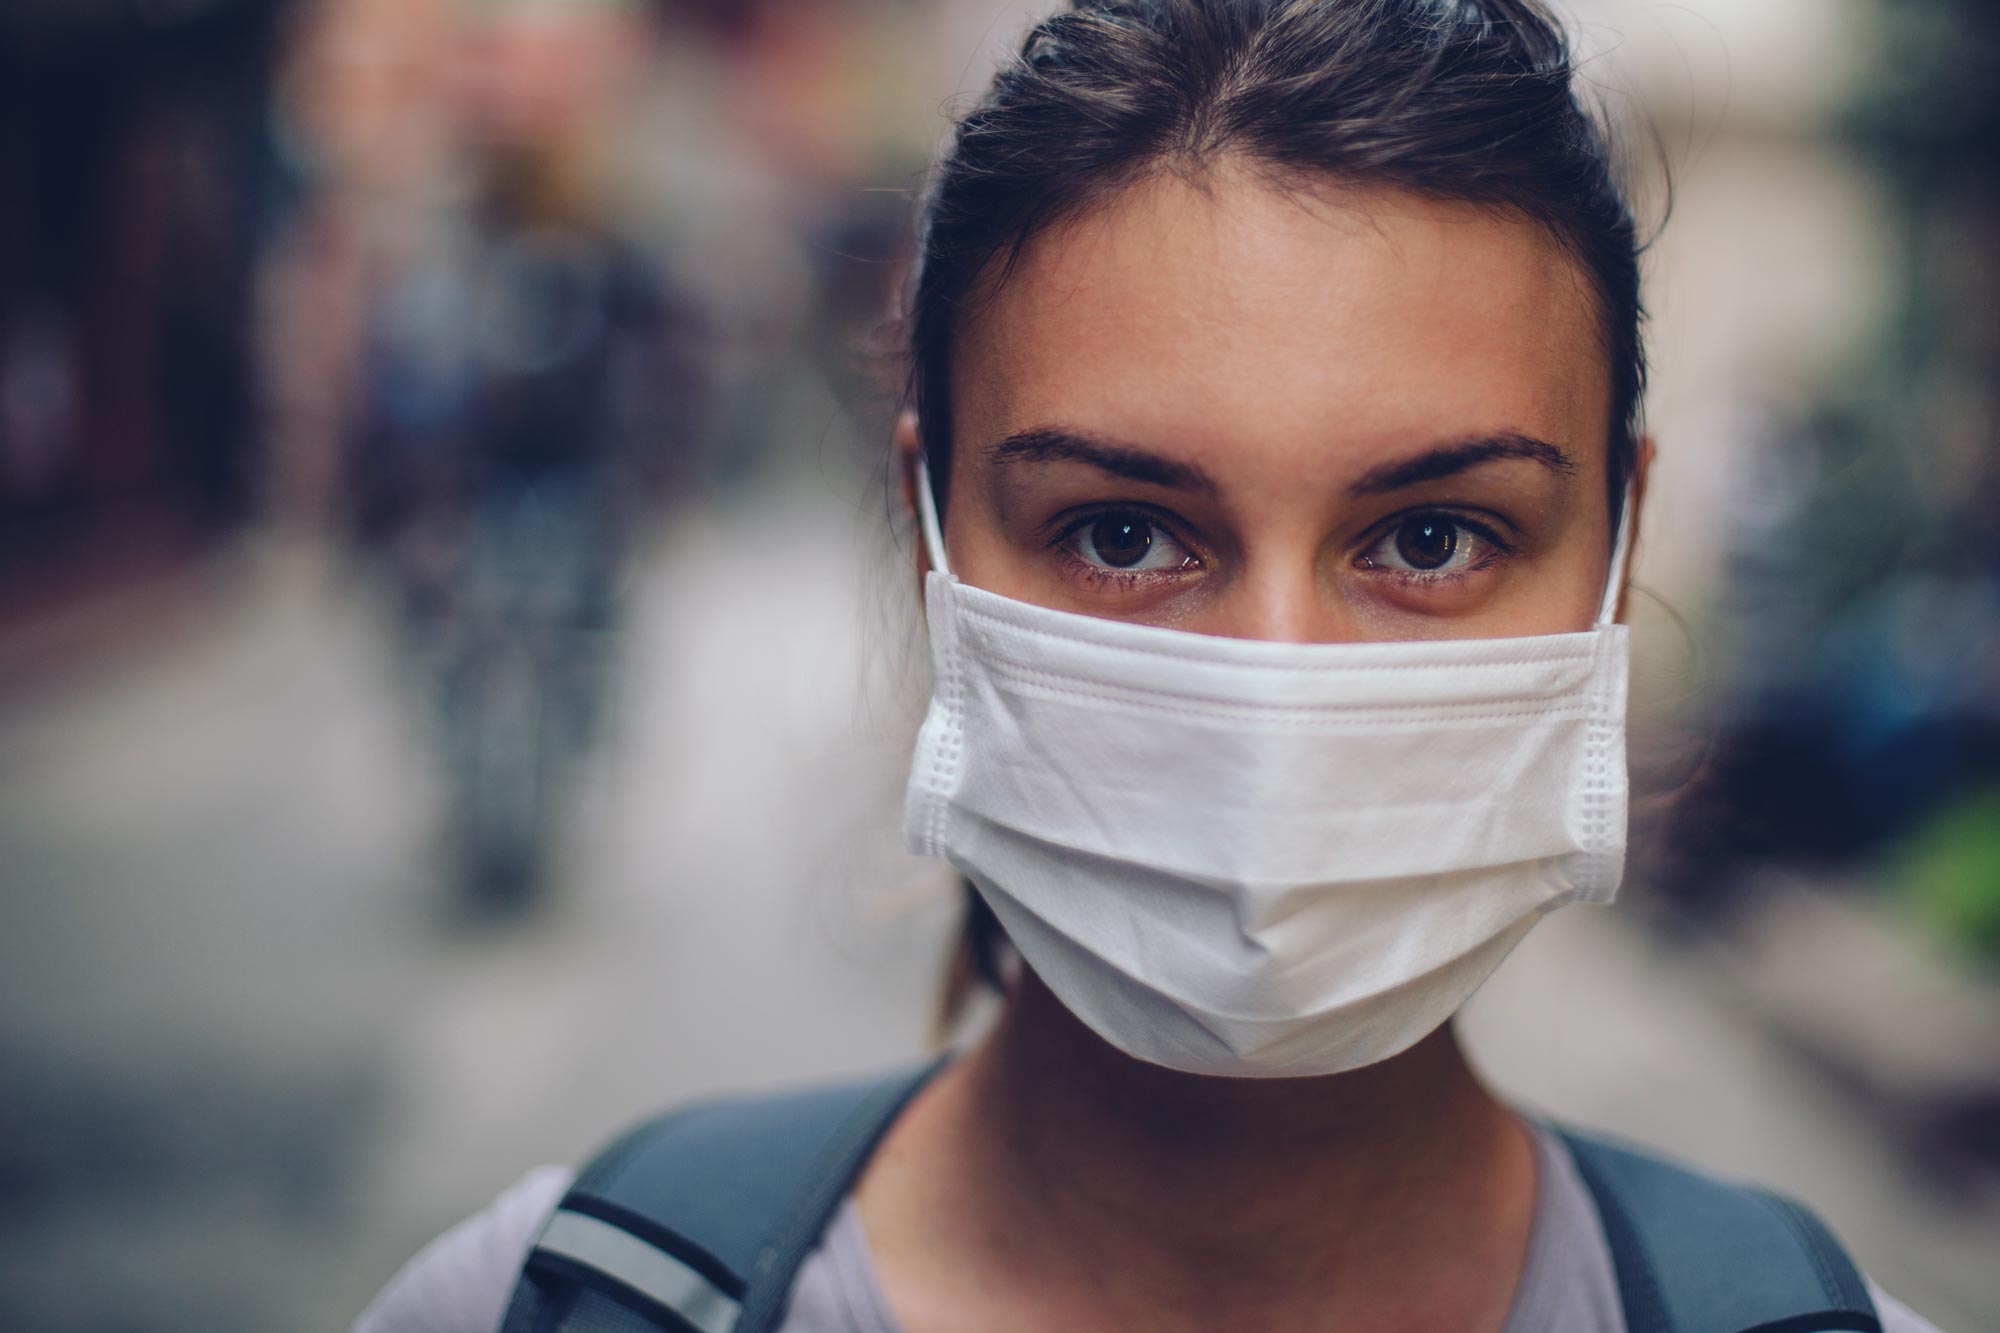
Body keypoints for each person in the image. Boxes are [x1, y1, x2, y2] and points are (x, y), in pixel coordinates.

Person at [357, 2, 1945, 1330]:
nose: (1274, 687)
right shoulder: (550, 1301)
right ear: (936, 546)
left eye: (1436, 536)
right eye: (1121, 535)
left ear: (1618, 544)